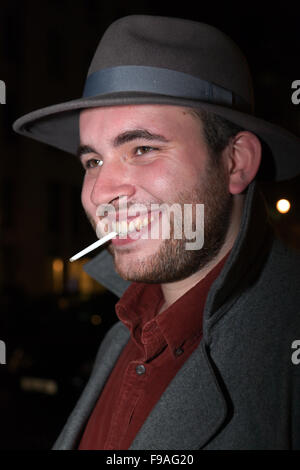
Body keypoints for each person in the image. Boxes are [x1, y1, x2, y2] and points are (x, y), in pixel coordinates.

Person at [13, 15, 300, 450]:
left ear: (235, 162)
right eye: (92, 161)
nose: (101, 193)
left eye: (142, 149)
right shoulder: (122, 336)